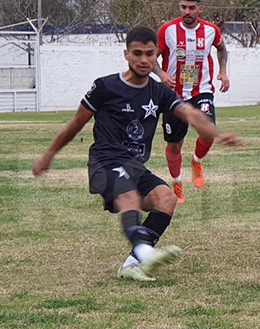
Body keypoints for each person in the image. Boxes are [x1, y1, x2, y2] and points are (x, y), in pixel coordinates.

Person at [32, 27, 242, 282]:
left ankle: (132, 263)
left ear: (156, 56)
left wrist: (216, 133)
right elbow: (75, 125)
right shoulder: (105, 87)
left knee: (167, 199)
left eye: (150, 54)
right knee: (128, 193)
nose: (144, 60)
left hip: (134, 166)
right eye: (138, 53)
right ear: (126, 54)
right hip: (104, 163)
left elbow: (190, 113)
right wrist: (48, 155)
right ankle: (145, 251)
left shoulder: (160, 91)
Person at [153, 0, 230, 203]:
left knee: (208, 132)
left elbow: (222, 48)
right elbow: (152, 56)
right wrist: (161, 75)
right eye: (183, 7)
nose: (187, 12)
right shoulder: (167, 30)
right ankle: (177, 184)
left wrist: (222, 72)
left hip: (201, 90)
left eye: (191, 8)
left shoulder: (210, 30)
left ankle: (196, 161)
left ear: (200, 9)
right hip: (172, 95)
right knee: (174, 144)